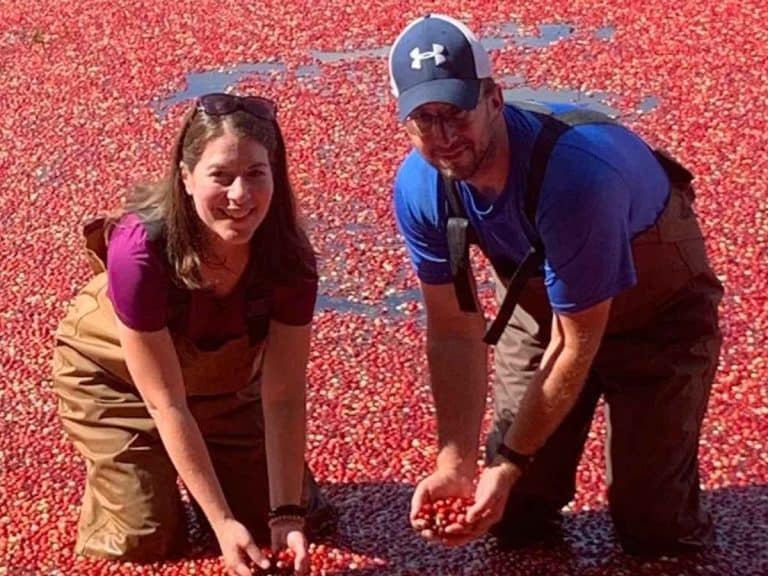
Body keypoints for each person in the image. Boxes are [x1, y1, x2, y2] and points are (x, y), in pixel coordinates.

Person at [388, 14, 723, 556]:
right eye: (425, 120)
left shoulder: (574, 178)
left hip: (656, 316)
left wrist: (510, 462)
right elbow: (453, 329)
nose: (445, 137)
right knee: (512, 514)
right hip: (545, 308)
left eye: (455, 113)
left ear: (493, 99)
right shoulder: (421, 189)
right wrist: (457, 461)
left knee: (652, 530)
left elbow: (577, 344)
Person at [52, 93, 335, 575]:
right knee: (145, 536)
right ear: (185, 178)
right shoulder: (140, 251)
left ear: (276, 176)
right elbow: (166, 402)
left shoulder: (289, 258)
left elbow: (284, 395)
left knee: (286, 516)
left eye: (256, 174)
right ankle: (132, 466)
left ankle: (208, 470)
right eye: (221, 176)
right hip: (115, 382)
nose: (240, 195)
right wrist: (221, 522)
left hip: (217, 388)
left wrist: (286, 513)